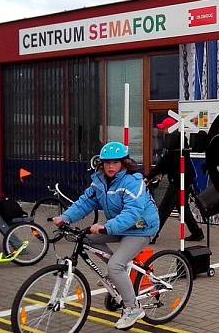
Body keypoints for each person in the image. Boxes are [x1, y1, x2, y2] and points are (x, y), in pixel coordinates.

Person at [53, 141, 159, 330]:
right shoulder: (99, 181)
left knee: (115, 265)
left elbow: (132, 213)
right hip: (118, 226)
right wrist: (65, 217)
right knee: (85, 239)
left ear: (124, 163)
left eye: (116, 162)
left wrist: (105, 227)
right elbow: (85, 202)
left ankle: (133, 308)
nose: (111, 166)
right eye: (107, 163)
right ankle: (117, 274)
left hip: (141, 227)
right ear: (101, 164)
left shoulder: (133, 182)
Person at [146, 117, 205, 243]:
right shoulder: (179, 140)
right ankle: (196, 233)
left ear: (171, 128)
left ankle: (152, 235)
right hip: (184, 177)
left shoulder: (174, 142)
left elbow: (164, 163)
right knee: (182, 207)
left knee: (164, 208)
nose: (163, 131)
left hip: (179, 179)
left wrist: (148, 177)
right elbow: (169, 163)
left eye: (164, 128)